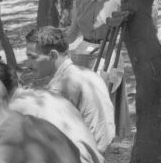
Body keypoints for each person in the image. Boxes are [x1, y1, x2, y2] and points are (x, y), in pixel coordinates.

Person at [26, 26, 115, 154]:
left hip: (83, 158)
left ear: (52, 55)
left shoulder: (59, 89)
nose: (28, 65)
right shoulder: (87, 73)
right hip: (101, 151)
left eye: (33, 57)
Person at [66, 0, 130, 135]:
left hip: (107, 53)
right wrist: (56, 42)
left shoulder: (118, 2)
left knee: (97, 86)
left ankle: (99, 131)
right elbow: (72, 33)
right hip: (83, 49)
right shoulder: (79, 1)